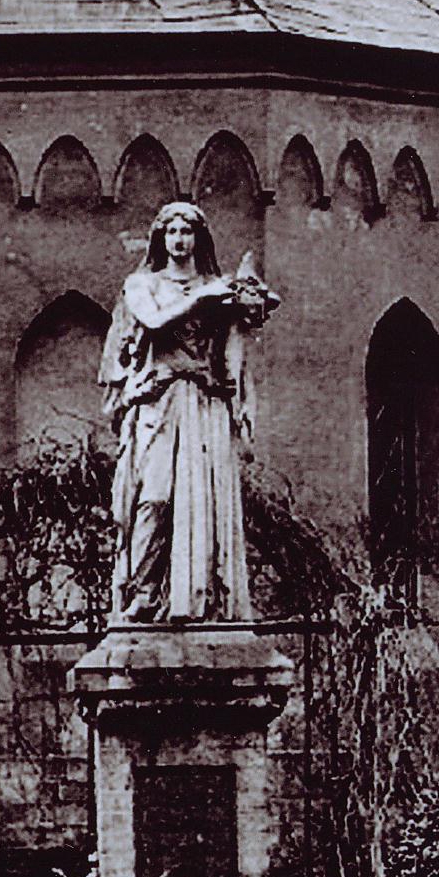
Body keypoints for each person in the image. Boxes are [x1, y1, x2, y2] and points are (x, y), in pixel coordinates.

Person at [98, 200, 279, 625]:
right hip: (158, 402)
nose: (179, 240)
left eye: (187, 231)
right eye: (172, 232)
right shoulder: (142, 284)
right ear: (160, 238)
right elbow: (152, 321)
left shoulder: (215, 285)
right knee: (154, 497)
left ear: (199, 239)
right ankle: (144, 592)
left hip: (204, 404)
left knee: (204, 505)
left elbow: (249, 324)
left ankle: (201, 598)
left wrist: (249, 296)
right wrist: (203, 297)